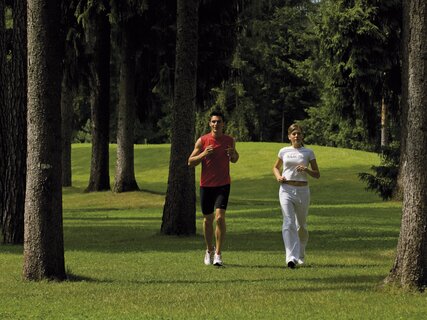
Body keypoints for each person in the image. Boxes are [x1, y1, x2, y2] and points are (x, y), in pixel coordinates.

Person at [188, 111, 239, 266]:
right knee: (207, 220)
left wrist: (233, 153)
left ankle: (218, 253)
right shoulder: (202, 140)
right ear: (210, 124)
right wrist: (204, 153)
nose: (216, 124)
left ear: (223, 124)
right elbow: (190, 161)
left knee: (219, 218)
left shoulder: (229, 140)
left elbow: (235, 159)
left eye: (219, 121)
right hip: (206, 186)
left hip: (223, 185)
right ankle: (208, 249)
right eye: (213, 122)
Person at [273, 124, 320, 269]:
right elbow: (275, 167)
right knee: (288, 222)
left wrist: (306, 169)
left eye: (299, 133)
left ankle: (300, 253)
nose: (296, 136)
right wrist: (278, 176)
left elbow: (317, 174)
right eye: (293, 134)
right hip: (286, 189)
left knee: (301, 226)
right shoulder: (283, 151)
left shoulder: (308, 152)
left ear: (302, 136)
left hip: (302, 191)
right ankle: (290, 257)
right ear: (289, 136)